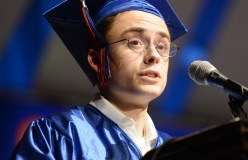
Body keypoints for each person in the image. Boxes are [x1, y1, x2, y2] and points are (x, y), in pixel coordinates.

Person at [11, 0, 187, 159]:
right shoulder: (58, 136)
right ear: (96, 59)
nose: (154, 56)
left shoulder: (177, 151)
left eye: (162, 46)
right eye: (135, 42)